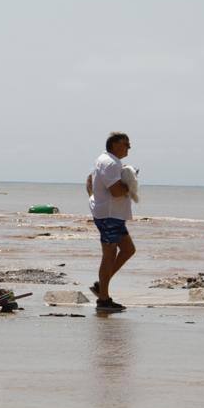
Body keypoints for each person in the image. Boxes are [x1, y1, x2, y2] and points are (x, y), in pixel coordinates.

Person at [86, 132, 136, 310]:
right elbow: (116, 191)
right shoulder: (110, 163)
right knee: (109, 255)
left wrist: (93, 197)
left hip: (112, 215)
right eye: (126, 144)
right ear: (114, 144)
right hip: (109, 215)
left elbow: (89, 182)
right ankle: (103, 300)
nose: (129, 147)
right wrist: (130, 183)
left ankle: (101, 285)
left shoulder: (106, 161)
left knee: (128, 249)